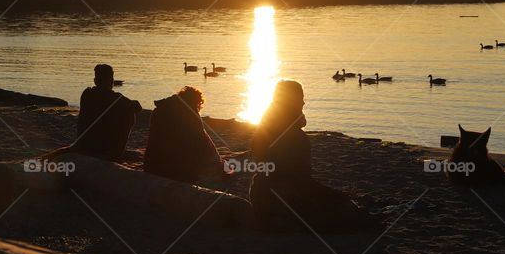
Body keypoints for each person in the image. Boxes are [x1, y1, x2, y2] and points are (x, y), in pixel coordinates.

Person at [249, 79, 377, 232]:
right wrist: (336, 195)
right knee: (343, 213)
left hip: (262, 195)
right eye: (300, 99)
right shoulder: (293, 137)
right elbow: (300, 181)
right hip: (281, 197)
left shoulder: (265, 129)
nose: (303, 103)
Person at [144, 86, 224, 184]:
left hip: (151, 163)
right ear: (196, 102)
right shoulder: (190, 112)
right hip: (175, 169)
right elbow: (201, 140)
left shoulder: (159, 109)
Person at [71, 64, 141, 161]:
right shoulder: (115, 98)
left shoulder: (86, 93)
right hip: (102, 148)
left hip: (83, 143)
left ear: (95, 81)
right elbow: (138, 107)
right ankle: (115, 151)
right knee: (129, 114)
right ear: (111, 81)